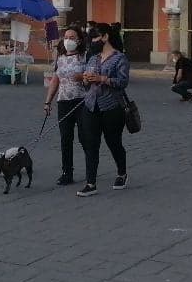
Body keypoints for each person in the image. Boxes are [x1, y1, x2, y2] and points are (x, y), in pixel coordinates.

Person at [77, 23, 130, 197]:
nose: (92, 42)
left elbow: (122, 82)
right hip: (91, 105)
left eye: (95, 37)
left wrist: (102, 78)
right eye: (90, 38)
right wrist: (85, 79)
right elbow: (86, 84)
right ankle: (91, 183)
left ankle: (122, 173)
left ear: (105, 37)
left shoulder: (119, 58)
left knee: (113, 142)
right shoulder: (92, 58)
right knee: (90, 144)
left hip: (112, 106)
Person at [43, 27, 87, 186]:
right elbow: (55, 80)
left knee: (85, 138)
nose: (68, 40)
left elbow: (91, 76)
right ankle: (67, 172)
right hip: (63, 102)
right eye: (66, 37)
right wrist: (48, 102)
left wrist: (82, 76)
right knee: (65, 139)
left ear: (79, 40)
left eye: (72, 37)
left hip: (81, 101)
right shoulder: (60, 57)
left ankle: (91, 170)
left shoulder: (85, 57)